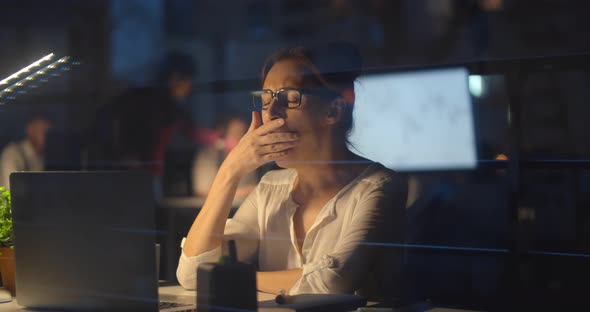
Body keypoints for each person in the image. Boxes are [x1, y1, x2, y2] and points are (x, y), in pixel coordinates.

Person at [176, 44, 407, 298]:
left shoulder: (380, 185)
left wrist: (235, 278)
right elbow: (192, 273)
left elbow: (331, 283)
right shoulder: (270, 189)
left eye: (288, 98)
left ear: (334, 110)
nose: (271, 113)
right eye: (265, 100)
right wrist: (231, 170)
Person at [191, 114, 258, 200]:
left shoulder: (248, 157)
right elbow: (202, 191)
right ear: (222, 134)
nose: (241, 138)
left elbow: (253, 188)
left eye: (243, 133)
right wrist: (243, 192)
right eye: (236, 132)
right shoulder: (207, 156)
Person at [0, 116, 52, 188]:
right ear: (30, 129)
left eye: (50, 132)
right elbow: (10, 189)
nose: (48, 136)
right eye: (43, 131)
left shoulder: (44, 157)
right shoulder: (11, 154)